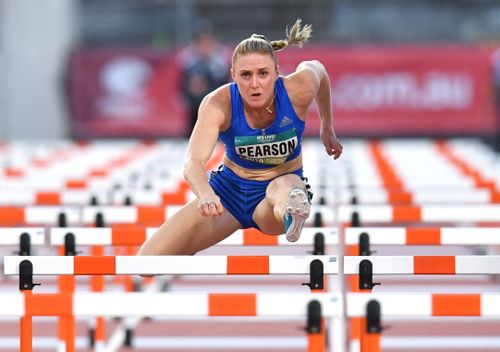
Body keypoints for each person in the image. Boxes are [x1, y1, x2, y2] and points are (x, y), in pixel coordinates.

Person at [138, 19, 343, 256]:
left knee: (284, 186)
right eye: (246, 75)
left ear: (277, 73)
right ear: (233, 75)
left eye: (263, 74)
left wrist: (327, 126)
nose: (255, 84)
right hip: (228, 193)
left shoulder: (299, 88)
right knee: (147, 260)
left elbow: (319, 70)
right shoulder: (217, 103)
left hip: (273, 195)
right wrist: (206, 195)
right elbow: (193, 163)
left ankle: (293, 209)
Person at [177, 19, 230, 136]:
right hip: (196, 104)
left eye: (208, 41)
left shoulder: (221, 56)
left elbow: (224, 81)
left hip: (216, 101)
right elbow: (183, 82)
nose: (205, 45)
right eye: (201, 41)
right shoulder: (187, 56)